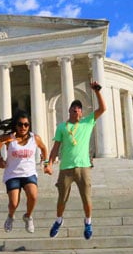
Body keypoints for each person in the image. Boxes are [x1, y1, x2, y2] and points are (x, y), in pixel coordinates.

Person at [45, 80, 106, 240]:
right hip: (66, 167)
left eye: (78, 110)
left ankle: (88, 223)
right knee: (61, 199)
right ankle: (58, 221)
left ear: (82, 112)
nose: (76, 112)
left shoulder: (88, 122)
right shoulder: (62, 127)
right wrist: (49, 163)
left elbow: (103, 109)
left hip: (84, 167)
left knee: (86, 198)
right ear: (69, 112)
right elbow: (55, 147)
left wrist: (97, 91)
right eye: (73, 110)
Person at [0, 110, 49, 234]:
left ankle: (28, 216)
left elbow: (43, 148)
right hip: (13, 174)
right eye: (20, 124)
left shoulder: (35, 138)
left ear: (29, 125)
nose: (23, 127)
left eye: (26, 125)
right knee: (13, 203)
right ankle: (11, 216)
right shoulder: (9, 138)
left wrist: (46, 162)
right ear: (15, 125)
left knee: (33, 195)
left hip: (29, 173)